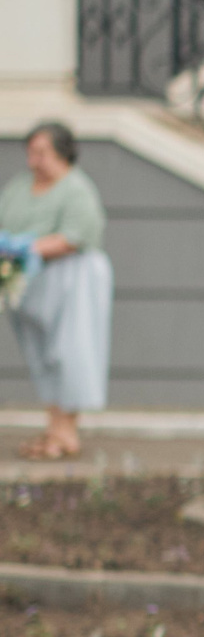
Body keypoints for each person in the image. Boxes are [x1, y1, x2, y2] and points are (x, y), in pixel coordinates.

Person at [1, 123, 112, 462]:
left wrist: (26, 247)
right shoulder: (19, 187)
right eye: (30, 153)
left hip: (73, 279)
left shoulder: (77, 189)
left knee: (69, 351)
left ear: (62, 153)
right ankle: (54, 429)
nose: (33, 161)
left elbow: (73, 238)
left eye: (41, 153)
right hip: (31, 282)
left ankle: (67, 433)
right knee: (42, 354)